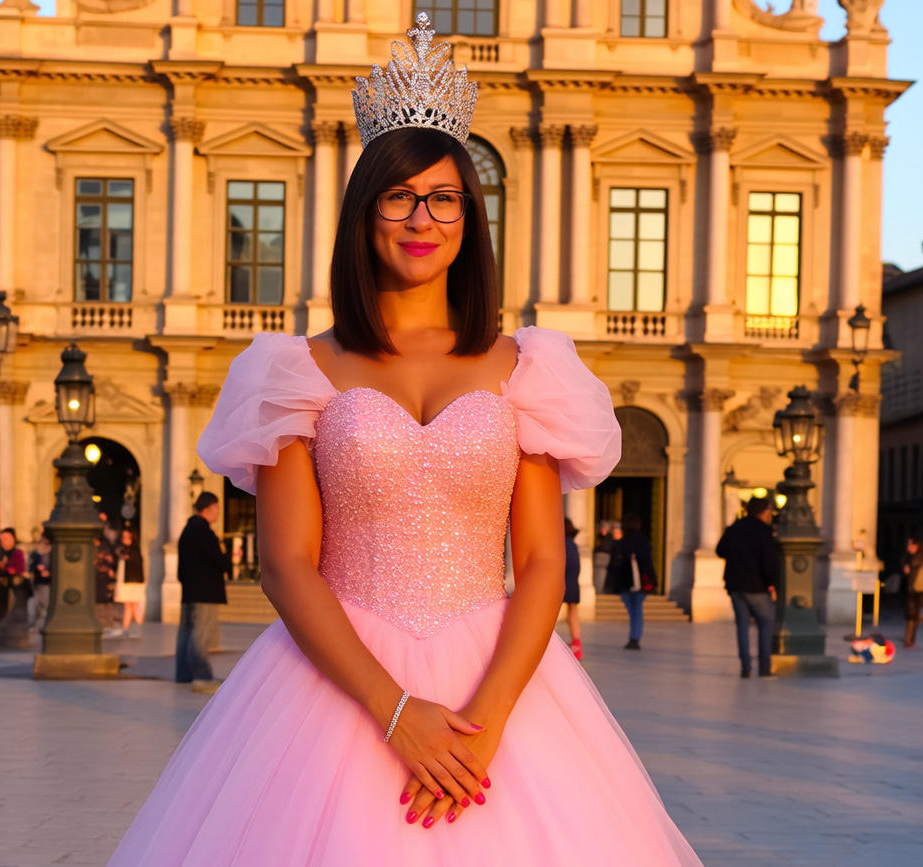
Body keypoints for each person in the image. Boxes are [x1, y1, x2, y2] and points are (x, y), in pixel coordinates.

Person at [106, 18, 701, 866]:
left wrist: (485, 723)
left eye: (445, 197)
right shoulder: (297, 369)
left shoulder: (524, 366)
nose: (423, 218)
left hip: (495, 682)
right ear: (366, 212)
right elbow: (286, 564)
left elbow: (539, 561)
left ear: (470, 217)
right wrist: (395, 713)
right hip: (336, 686)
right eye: (399, 196)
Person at [716, 496, 780, 678]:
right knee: (766, 624)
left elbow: (720, 550)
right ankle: (764, 667)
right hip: (757, 586)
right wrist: (772, 583)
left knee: (742, 626)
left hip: (735, 585)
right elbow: (769, 561)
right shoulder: (763, 531)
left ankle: (746, 667)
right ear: (764, 511)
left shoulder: (734, 528)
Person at [175, 492, 232, 690]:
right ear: (208, 508)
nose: (218, 512)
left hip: (189, 590)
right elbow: (220, 560)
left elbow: (181, 567)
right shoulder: (205, 533)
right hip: (205, 591)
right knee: (200, 633)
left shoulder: (186, 531)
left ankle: (182, 673)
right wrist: (227, 560)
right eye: (217, 508)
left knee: (186, 632)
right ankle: (201, 673)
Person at [605, 513, 657, 650]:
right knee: (637, 609)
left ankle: (634, 636)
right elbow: (648, 563)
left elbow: (614, 564)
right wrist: (652, 580)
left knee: (632, 609)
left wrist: (609, 584)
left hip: (624, 581)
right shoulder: (644, 541)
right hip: (641, 582)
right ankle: (635, 637)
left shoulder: (620, 543)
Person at [0, 528, 28, 624]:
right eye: (2, 538)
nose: (4, 540)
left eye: (7, 538)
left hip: (14, 584)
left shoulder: (18, 553)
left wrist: (9, 568)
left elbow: (20, 569)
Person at [902, 538, 923, 648]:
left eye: (912, 545)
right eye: (908, 545)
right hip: (912, 590)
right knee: (912, 616)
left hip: (919, 590)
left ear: (918, 546)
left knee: (913, 616)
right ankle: (909, 639)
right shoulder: (908, 558)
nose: (909, 548)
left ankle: (909, 639)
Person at [115, 528, 146, 637]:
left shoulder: (135, 549)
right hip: (124, 580)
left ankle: (139, 627)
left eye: (127, 537)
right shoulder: (121, 548)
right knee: (127, 605)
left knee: (135, 604)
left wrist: (127, 557)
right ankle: (125, 628)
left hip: (133, 581)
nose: (125, 539)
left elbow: (137, 561)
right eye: (123, 537)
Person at [562, 517, 583, 659]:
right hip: (573, 583)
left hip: (562, 582)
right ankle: (576, 644)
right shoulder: (573, 544)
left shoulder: (560, 543)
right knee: (572, 613)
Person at [95, 523, 120, 636]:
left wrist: (108, 560)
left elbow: (112, 559)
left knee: (107, 602)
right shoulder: (94, 545)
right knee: (98, 603)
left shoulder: (106, 544)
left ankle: (109, 625)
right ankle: (101, 625)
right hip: (96, 577)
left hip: (105, 578)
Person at [29, 533, 53, 630]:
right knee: (37, 604)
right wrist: (37, 569)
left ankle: (45, 624)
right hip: (37, 581)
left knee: (46, 605)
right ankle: (38, 624)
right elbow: (31, 566)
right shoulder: (35, 552)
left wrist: (49, 572)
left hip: (47, 582)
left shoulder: (53, 551)